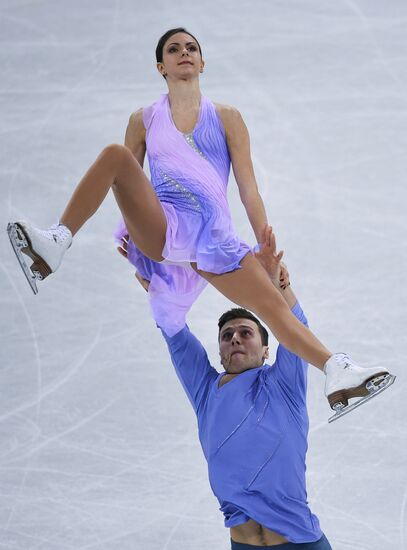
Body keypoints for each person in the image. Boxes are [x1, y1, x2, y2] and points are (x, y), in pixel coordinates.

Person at [7, 27, 394, 421]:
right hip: (167, 226)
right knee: (115, 157)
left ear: (202, 61)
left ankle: (336, 370)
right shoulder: (143, 120)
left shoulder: (227, 117)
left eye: (191, 48)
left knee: (274, 309)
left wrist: (263, 242)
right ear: (162, 66)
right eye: (174, 50)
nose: (184, 53)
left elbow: (247, 186)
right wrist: (142, 255)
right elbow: (128, 185)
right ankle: (57, 241)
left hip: (214, 237)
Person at [119, 225, 333, 549]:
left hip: (301, 544)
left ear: (266, 350)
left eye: (246, 333)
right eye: (227, 335)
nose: (234, 337)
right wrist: (160, 294)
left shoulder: (283, 383)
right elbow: (175, 333)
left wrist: (279, 285)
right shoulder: (206, 392)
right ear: (220, 352)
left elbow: (296, 326)